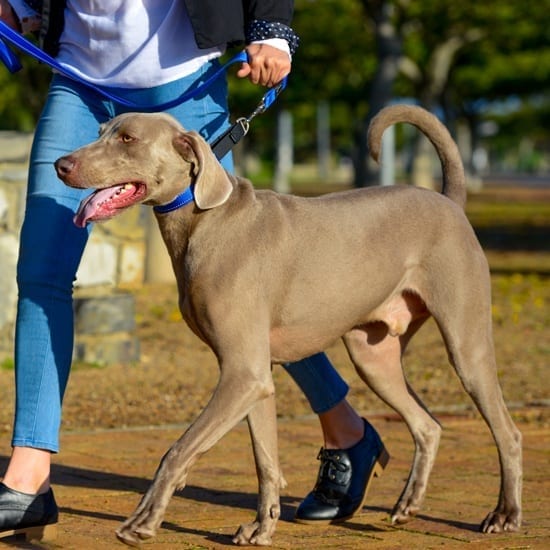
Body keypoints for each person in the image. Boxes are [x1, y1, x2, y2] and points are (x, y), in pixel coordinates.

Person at [0, 0, 388, 540]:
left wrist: (274, 30)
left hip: (184, 80)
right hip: (79, 77)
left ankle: (345, 429)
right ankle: (28, 479)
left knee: (248, 287)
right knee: (41, 271)